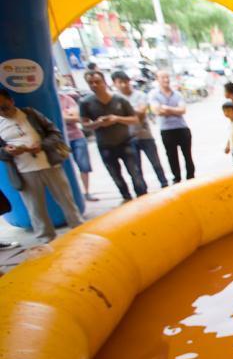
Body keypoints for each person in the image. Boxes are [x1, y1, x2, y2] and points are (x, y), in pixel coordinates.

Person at [0, 88, 83, 242]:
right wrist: (7, 151)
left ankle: (80, 231)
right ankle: (46, 240)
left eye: (5, 107)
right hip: (24, 171)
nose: (3, 112)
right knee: (35, 209)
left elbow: (55, 133)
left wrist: (42, 145)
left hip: (49, 164)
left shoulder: (30, 114)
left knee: (67, 201)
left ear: (11, 101)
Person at [79, 71, 147, 201]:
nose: (94, 85)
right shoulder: (85, 103)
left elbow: (134, 119)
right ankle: (126, 197)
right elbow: (84, 125)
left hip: (125, 142)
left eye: (97, 82)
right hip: (105, 145)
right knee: (116, 176)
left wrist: (116, 119)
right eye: (91, 83)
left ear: (104, 82)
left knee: (135, 173)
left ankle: (143, 198)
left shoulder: (120, 100)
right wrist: (97, 123)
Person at [112, 71, 169, 189]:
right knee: (136, 168)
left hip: (145, 135)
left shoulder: (140, 95)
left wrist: (121, 116)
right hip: (127, 138)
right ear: (115, 84)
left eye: (125, 82)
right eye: (120, 82)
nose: (123, 85)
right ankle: (142, 190)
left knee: (156, 164)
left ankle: (165, 184)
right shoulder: (115, 99)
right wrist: (130, 114)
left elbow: (141, 114)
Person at [150, 71, 195, 183]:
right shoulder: (154, 95)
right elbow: (157, 111)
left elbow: (183, 110)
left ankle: (191, 178)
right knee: (172, 156)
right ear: (157, 79)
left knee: (187, 155)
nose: (166, 79)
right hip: (167, 130)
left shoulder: (177, 94)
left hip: (181, 128)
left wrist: (166, 108)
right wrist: (175, 110)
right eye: (162, 77)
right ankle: (177, 178)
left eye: (167, 77)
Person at [57, 89, 97, 201]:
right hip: (60, 140)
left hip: (76, 137)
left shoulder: (67, 99)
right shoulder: (47, 101)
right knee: (65, 169)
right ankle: (73, 194)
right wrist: (65, 116)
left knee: (84, 165)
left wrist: (62, 117)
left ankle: (86, 192)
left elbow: (77, 117)